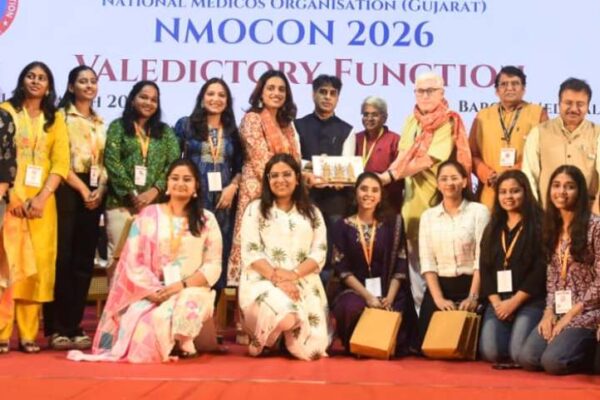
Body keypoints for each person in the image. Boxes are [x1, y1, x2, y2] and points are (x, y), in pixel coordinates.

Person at [69, 159, 223, 363]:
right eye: (175, 178)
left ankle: (184, 343)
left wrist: (181, 285)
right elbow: (133, 261)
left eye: (187, 179)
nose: (180, 183)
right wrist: (153, 291)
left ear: (196, 186)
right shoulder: (149, 215)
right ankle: (172, 345)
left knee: (185, 304)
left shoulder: (207, 219)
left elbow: (213, 264)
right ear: (167, 183)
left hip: (190, 289)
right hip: (153, 291)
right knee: (150, 321)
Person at [379, 72, 473, 311]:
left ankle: (444, 320)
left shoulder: (448, 121)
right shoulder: (411, 120)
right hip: (412, 206)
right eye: (420, 91)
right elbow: (402, 157)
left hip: (439, 204)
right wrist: (385, 175)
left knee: (440, 266)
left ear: (442, 93)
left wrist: (390, 176)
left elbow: (426, 161)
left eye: (431, 90)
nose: (425, 95)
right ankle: (423, 319)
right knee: (416, 269)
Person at [0, 61, 70, 354]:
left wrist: (41, 198)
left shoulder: (55, 119)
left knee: (36, 268)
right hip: (9, 200)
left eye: (42, 78)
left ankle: (29, 335)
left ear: (49, 86)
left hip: (43, 205)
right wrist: (13, 197)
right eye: (31, 76)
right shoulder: (6, 111)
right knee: (7, 266)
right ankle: (2, 333)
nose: (36, 81)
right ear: (22, 80)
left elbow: (61, 163)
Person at [40, 66, 107, 351]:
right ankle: (57, 327)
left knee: (83, 262)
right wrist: (82, 189)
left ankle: (76, 325)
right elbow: (58, 160)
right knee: (63, 260)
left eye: (93, 81)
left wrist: (100, 189)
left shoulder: (100, 121)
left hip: (94, 190)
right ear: (71, 87)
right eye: (83, 81)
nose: (89, 85)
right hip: (67, 188)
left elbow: (103, 162)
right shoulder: (60, 118)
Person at [238, 154, 329, 360]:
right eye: (274, 175)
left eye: (287, 174)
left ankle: (280, 339)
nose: (280, 180)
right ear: (267, 180)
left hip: (303, 280)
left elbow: (319, 252)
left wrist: (294, 275)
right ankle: (263, 340)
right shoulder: (255, 209)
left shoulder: (313, 213)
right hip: (263, 280)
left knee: (312, 350)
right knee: (287, 317)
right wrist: (279, 279)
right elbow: (251, 251)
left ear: (297, 178)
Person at [519, 165, 600, 375]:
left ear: (580, 192)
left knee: (553, 362)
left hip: (589, 310)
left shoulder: (595, 227)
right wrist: (548, 313)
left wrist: (571, 315)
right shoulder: (551, 226)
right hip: (560, 308)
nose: (561, 192)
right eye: (556, 185)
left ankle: (591, 351)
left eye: (569, 187)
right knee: (528, 358)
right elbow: (552, 277)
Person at [330, 172, 417, 355]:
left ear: (381, 196)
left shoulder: (394, 224)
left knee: (398, 310)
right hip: (356, 291)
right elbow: (342, 270)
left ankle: (382, 345)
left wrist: (389, 297)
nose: (369, 194)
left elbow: (400, 264)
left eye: (375, 190)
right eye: (364, 189)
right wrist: (368, 297)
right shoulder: (341, 226)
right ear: (355, 192)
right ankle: (359, 345)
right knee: (350, 307)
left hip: (389, 291)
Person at [227, 70, 301, 286]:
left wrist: (302, 177)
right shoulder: (252, 119)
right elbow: (260, 159)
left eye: (281, 89)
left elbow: (295, 160)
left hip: (285, 193)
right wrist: (286, 182)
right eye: (271, 88)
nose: (276, 93)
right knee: (254, 243)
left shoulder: (287, 124)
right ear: (261, 92)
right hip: (258, 190)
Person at [175, 78, 242, 295]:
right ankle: (187, 299)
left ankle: (212, 306)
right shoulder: (185, 125)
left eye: (221, 95)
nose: (216, 99)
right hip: (193, 199)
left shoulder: (232, 131)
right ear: (202, 98)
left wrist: (233, 186)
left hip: (223, 202)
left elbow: (241, 165)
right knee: (191, 249)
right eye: (210, 94)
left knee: (217, 253)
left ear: (227, 101)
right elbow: (174, 163)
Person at [104, 80, 180, 262]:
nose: (149, 103)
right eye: (144, 97)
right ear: (132, 99)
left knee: (150, 258)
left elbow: (174, 164)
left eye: (154, 100)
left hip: (155, 205)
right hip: (121, 203)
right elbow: (112, 161)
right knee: (119, 258)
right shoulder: (118, 127)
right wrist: (133, 194)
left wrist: (154, 191)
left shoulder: (165, 132)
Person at [417, 160, 489, 347]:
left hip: (472, 285)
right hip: (441, 287)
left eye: (454, 178)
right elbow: (427, 262)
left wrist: (473, 297)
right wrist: (439, 299)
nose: (449, 183)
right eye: (444, 179)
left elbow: (482, 259)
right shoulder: (428, 217)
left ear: (464, 182)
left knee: (471, 345)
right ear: (438, 184)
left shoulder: (479, 212)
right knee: (428, 345)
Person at [478, 170, 546, 367]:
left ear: (526, 192)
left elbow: (540, 271)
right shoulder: (493, 227)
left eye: (515, 191)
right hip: (499, 301)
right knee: (491, 352)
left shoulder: (540, 224)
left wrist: (514, 302)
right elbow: (485, 269)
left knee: (517, 353)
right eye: (503, 192)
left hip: (529, 300)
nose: (508, 196)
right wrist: (497, 303)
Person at [295, 74, 354, 283]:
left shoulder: (347, 129)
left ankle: (324, 295)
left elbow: (347, 167)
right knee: (302, 246)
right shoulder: (297, 125)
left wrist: (316, 165)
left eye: (332, 93)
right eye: (323, 92)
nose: (327, 97)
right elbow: (295, 160)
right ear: (313, 94)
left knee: (329, 252)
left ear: (338, 98)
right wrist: (316, 166)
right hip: (305, 197)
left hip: (335, 200)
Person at [469, 66, 548, 209]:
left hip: (523, 190)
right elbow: (471, 153)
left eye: (515, 83)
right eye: (504, 84)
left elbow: (543, 153)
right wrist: (486, 174)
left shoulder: (537, 113)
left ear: (523, 89)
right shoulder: (482, 116)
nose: (509, 88)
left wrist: (511, 174)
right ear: (496, 90)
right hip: (490, 191)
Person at [522, 78, 600, 213]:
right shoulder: (539, 133)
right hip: (546, 214)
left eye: (580, 104)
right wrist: (535, 213)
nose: (574, 109)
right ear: (559, 103)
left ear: (588, 106)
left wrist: (596, 213)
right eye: (568, 103)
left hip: (587, 214)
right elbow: (529, 176)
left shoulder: (597, 134)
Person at [354, 96, 403, 212]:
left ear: (385, 118)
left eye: (374, 115)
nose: (369, 118)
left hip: (388, 203)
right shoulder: (355, 138)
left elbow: (401, 173)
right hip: (359, 204)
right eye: (366, 114)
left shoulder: (395, 140)